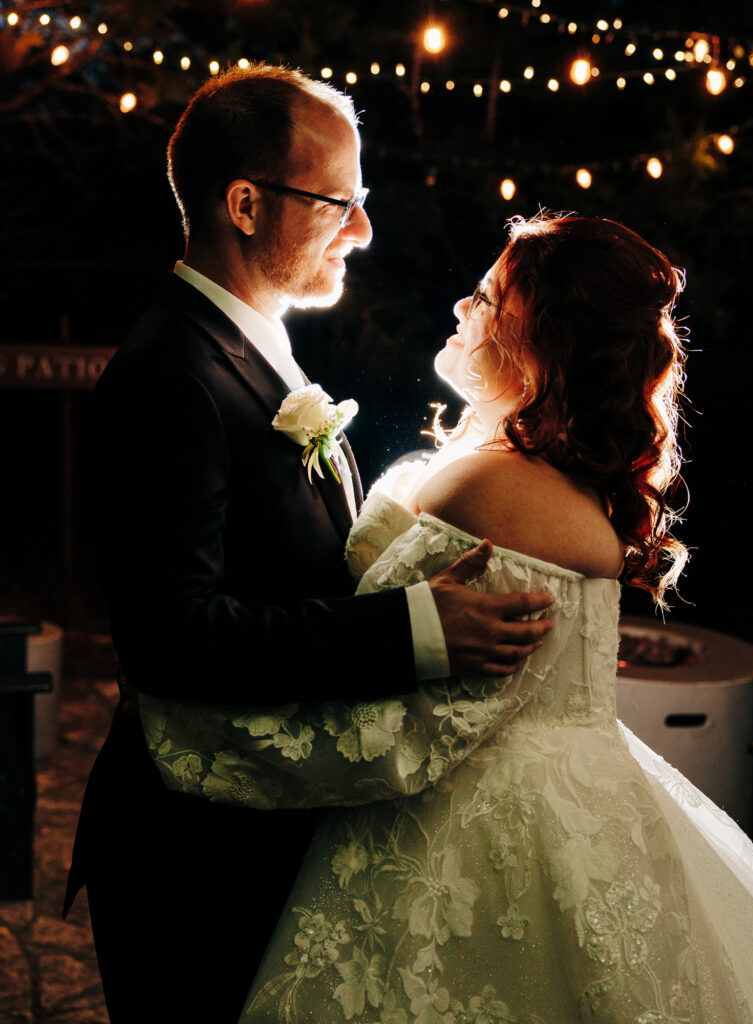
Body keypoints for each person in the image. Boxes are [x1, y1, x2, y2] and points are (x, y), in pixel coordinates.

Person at [141, 213, 753, 1023]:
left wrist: (192, 732)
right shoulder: (535, 475)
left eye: (488, 297)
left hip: (476, 831)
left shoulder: (488, 489)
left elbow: (400, 723)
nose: (461, 310)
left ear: (542, 339)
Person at [63, 63, 554, 1024]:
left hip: (267, 827)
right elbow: (176, 638)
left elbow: (293, 569)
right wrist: (415, 632)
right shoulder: (167, 376)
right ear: (245, 204)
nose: (363, 229)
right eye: (340, 200)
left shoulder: (257, 353)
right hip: (189, 856)